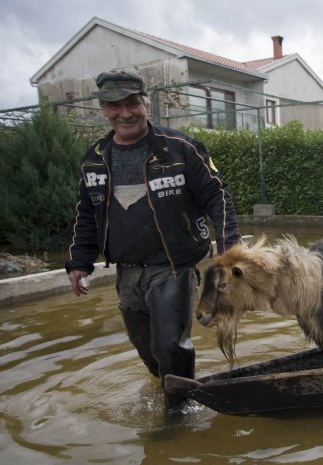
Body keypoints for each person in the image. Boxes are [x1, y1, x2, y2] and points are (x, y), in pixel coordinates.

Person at [65, 69, 241, 411]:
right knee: (147, 351)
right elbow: (87, 213)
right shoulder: (96, 157)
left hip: (172, 266)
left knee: (171, 346)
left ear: (145, 103)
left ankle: (180, 414)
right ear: (103, 109)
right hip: (128, 272)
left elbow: (218, 197)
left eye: (132, 103)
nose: (125, 113)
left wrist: (229, 249)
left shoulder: (180, 148)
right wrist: (79, 262)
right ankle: (170, 390)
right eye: (114, 105)